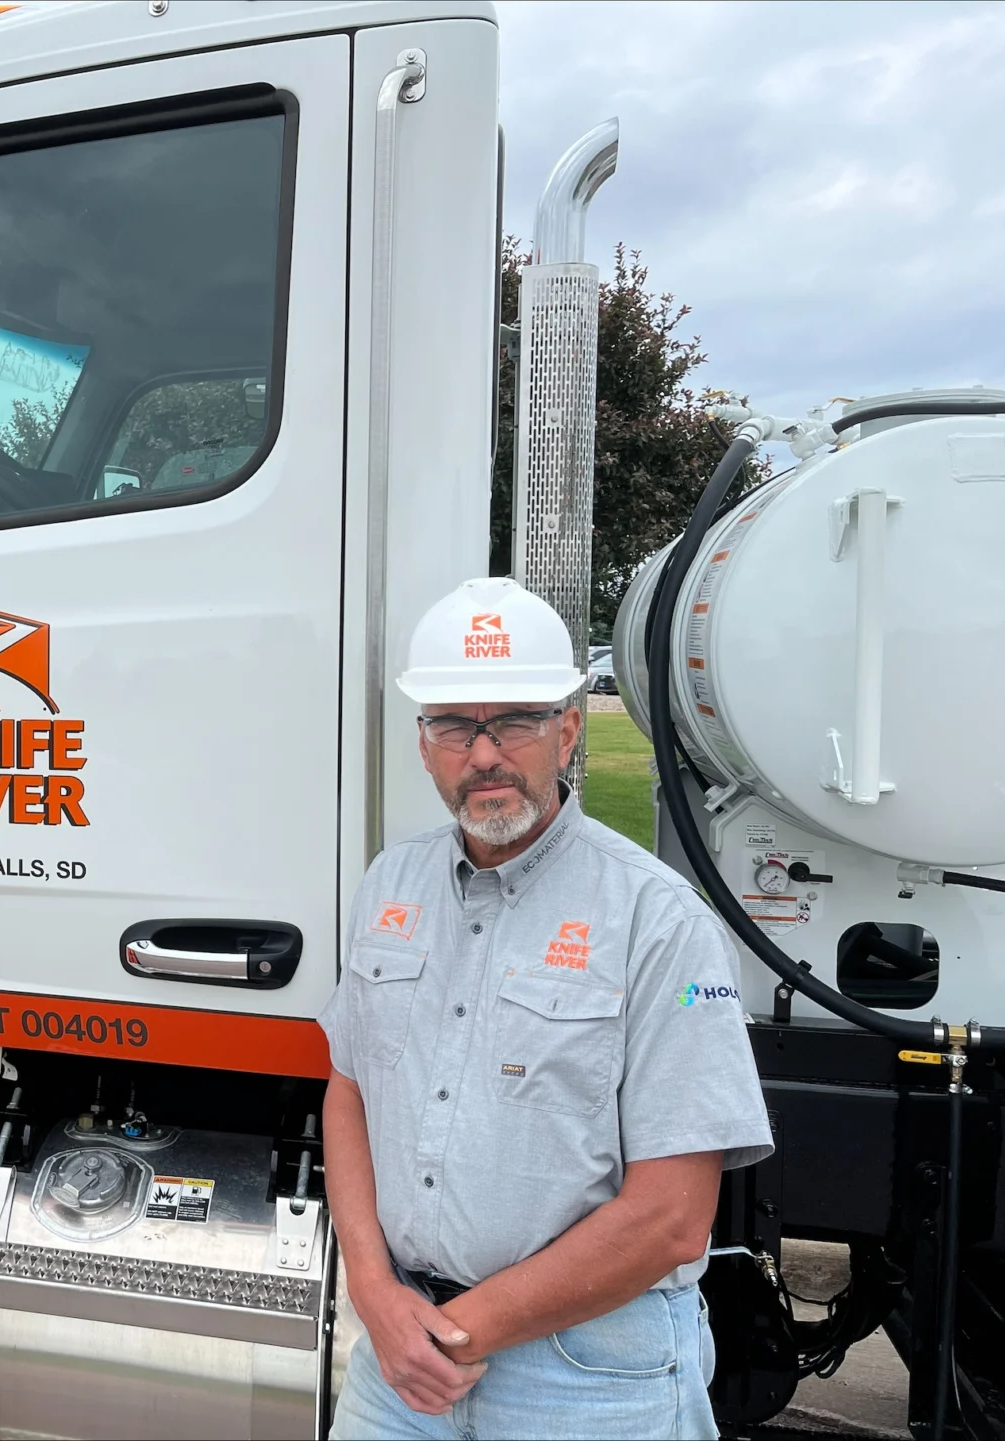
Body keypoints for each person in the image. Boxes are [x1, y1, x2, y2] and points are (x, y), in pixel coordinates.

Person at [319, 576, 773, 1441]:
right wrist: (373, 1291)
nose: (484, 753)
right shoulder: (390, 884)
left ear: (567, 730)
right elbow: (349, 1089)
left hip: (587, 1373)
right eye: (455, 725)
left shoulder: (658, 918)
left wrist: (455, 1332)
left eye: (515, 721)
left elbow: (674, 1218)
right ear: (424, 744)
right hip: (400, 1358)